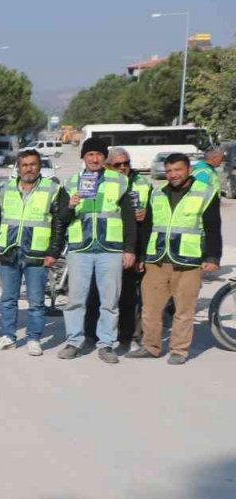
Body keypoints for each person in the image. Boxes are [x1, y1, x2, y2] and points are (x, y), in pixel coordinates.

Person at [128, 153, 222, 365]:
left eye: (178, 170)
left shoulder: (205, 192)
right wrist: (143, 255)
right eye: (169, 171)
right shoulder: (158, 193)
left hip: (188, 261)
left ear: (188, 170)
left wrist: (212, 256)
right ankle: (150, 347)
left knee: (184, 310)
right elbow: (148, 227)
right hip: (157, 260)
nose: (173, 175)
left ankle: (179, 350)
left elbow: (213, 227)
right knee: (150, 309)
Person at [56, 136, 137, 363]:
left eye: (99, 154)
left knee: (109, 300)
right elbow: (61, 218)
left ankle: (106, 344)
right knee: (75, 299)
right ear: (83, 157)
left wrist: (129, 249)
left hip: (110, 249)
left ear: (105, 158)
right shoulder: (71, 182)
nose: (94, 158)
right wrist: (71, 205)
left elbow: (129, 219)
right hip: (80, 248)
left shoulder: (119, 181)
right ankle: (73, 341)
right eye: (90, 154)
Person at [0, 148, 66, 356]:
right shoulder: (6, 189)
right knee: (8, 298)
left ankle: (34, 338)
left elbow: (59, 223)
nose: (29, 169)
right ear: (18, 168)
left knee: (35, 301)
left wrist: (54, 251)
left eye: (33, 164)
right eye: (24, 165)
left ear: (39, 166)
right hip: (9, 251)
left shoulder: (52, 189)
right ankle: (8, 336)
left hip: (37, 253)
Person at [85, 147, 153, 351]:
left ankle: (127, 336)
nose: (123, 167)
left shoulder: (143, 183)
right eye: (118, 164)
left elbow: (154, 216)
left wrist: (145, 217)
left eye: (126, 163)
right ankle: (92, 334)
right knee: (97, 294)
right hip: (106, 245)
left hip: (133, 244)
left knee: (129, 296)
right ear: (109, 166)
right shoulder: (103, 182)